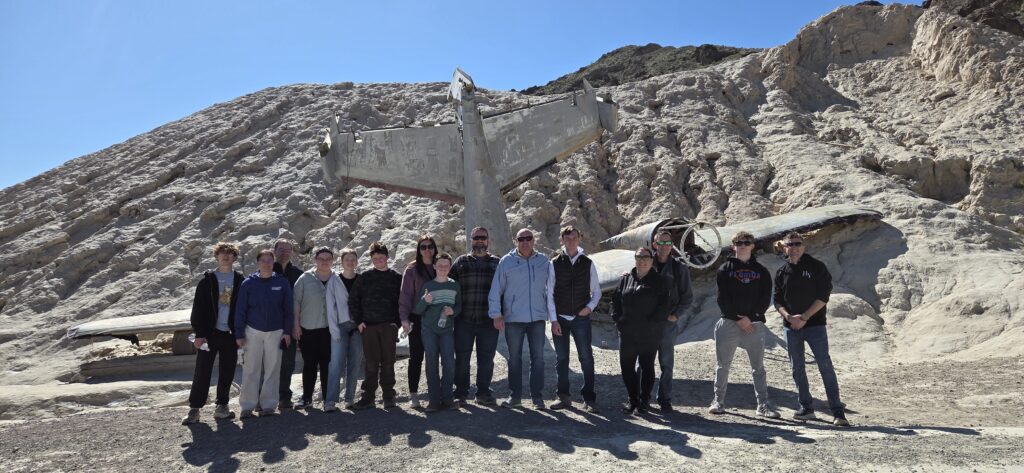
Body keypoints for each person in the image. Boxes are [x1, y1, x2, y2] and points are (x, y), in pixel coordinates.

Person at [774, 232, 849, 426]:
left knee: (825, 365)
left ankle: (838, 412)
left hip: (814, 325)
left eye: (798, 244)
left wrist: (804, 317)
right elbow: (777, 300)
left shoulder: (816, 267)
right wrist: (789, 317)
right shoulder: (782, 272)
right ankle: (806, 408)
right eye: (790, 245)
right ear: (784, 248)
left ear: (804, 246)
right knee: (797, 368)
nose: (794, 247)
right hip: (791, 327)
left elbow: (823, 296)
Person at [708, 231, 780, 419]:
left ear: (752, 245)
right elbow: (722, 298)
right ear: (733, 246)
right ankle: (718, 401)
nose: (742, 245)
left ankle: (763, 405)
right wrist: (738, 318)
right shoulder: (725, 269)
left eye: (746, 242)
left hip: (754, 325)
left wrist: (752, 317)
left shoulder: (761, 271)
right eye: (738, 242)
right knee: (723, 365)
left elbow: (765, 298)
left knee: (758, 367)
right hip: (729, 322)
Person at [488, 228, 561, 410]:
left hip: (537, 318)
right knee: (514, 358)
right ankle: (515, 396)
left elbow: (552, 290)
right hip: (513, 319)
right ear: (516, 241)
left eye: (528, 238)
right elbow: (496, 289)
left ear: (534, 240)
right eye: (521, 239)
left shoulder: (544, 262)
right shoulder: (506, 262)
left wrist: (553, 317)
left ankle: (537, 397)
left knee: (538, 358)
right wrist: (496, 314)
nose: (525, 242)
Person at [182, 242, 245, 425]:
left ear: (234, 257)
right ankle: (195, 409)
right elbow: (198, 309)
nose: (225, 256)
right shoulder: (207, 281)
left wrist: (241, 332)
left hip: (230, 333)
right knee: (202, 370)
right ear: (216, 257)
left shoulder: (240, 280)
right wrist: (199, 334)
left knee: (227, 370)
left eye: (229, 254)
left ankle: (222, 407)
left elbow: (243, 309)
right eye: (222, 253)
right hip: (210, 334)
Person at [547, 226, 601, 412]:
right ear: (561, 240)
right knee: (561, 359)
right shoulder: (554, 263)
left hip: (580, 319)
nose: (571, 241)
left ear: (579, 239)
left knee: (586, 358)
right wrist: (553, 320)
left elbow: (597, 291)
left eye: (574, 238)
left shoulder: (588, 263)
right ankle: (563, 397)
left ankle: (589, 399)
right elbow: (550, 294)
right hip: (560, 318)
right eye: (567, 238)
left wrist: (589, 308)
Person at [235, 249, 294, 419]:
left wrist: (287, 331)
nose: (266, 263)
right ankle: (247, 406)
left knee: (272, 369)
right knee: (250, 369)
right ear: (258, 262)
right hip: (252, 331)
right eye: (263, 260)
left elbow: (287, 309)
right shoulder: (248, 283)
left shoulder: (281, 282)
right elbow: (240, 310)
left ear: (273, 262)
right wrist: (239, 334)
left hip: (276, 332)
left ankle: (269, 405)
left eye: (269, 260)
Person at [612, 247, 670, 414]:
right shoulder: (625, 279)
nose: (643, 260)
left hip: (649, 334)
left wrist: (653, 326)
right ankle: (632, 399)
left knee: (646, 366)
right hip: (627, 333)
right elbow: (615, 301)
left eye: (646, 257)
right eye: (639, 257)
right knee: (626, 366)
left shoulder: (659, 281)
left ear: (652, 260)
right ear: (635, 259)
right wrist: (618, 320)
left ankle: (644, 400)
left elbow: (664, 307)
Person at [349, 242, 403, 410]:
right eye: (375, 258)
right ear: (371, 259)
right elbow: (353, 301)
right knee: (371, 363)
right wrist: (359, 322)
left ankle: (388, 395)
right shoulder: (364, 277)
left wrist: (397, 323)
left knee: (388, 362)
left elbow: (403, 302)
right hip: (369, 327)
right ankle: (368, 397)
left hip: (389, 326)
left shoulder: (396, 277)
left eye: (381, 257)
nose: (378, 260)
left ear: (387, 257)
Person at [450, 227, 501, 406]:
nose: (480, 241)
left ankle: (483, 392)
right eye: (476, 238)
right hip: (464, 320)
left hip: (488, 321)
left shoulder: (497, 263)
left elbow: (504, 290)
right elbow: (449, 287)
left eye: (483, 238)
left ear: (488, 240)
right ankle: (461, 393)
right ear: (471, 240)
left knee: (486, 359)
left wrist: (501, 315)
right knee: (462, 359)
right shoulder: (460, 262)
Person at [650, 229, 693, 412]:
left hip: (667, 324)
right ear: (654, 244)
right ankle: (641, 397)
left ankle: (664, 399)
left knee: (666, 363)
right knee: (642, 363)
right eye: (661, 243)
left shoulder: (679, 268)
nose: (665, 246)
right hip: (647, 323)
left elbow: (687, 297)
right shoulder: (645, 263)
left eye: (668, 243)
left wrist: (675, 315)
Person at [415, 252, 462, 412]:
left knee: (449, 363)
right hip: (429, 331)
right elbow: (418, 309)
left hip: (447, 331)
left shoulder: (454, 285)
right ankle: (434, 401)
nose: (443, 268)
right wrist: (424, 301)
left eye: (446, 265)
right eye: (440, 265)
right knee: (431, 364)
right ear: (434, 266)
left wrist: (453, 311)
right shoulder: (428, 286)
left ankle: (448, 399)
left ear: (450, 267)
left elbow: (459, 306)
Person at [291, 247, 335, 410]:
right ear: (315, 260)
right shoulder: (304, 278)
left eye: (328, 259)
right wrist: (296, 325)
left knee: (326, 365)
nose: (324, 262)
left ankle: (327, 399)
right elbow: (296, 302)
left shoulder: (336, 278)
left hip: (329, 330)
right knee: (309, 364)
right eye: (321, 259)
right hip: (307, 328)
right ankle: (306, 398)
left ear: (332, 261)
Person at [398, 235, 436, 408]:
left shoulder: (440, 266)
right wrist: (404, 319)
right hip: (417, 318)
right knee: (416, 357)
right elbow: (405, 296)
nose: (427, 250)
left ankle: (435, 392)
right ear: (418, 250)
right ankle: (414, 394)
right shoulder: (412, 270)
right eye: (423, 247)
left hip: (436, 318)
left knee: (434, 356)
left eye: (430, 246)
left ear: (434, 248)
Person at [325, 247, 363, 411]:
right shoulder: (334, 281)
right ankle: (330, 401)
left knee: (355, 363)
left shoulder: (362, 280)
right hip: (340, 326)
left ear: (356, 262)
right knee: (336, 363)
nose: (350, 262)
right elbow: (330, 307)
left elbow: (365, 304)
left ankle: (350, 399)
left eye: (353, 259)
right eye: (347, 259)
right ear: (342, 262)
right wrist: (334, 330)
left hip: (358, 326)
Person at [273, 239, 304, 409]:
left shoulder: (298, 274)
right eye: (281, 249)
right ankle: (266, 397)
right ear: (275, 250)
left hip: (291, 326)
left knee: (288, 362)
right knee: (268, 362)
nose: (284, 252)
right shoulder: (267, 271)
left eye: (288, 249)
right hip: (270, 325)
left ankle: (284, 396)